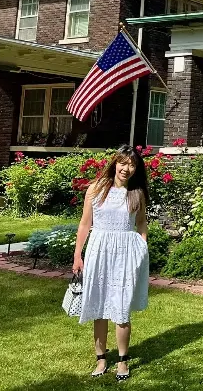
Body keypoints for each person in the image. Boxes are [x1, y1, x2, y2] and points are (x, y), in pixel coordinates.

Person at [73, 145, 150, 381]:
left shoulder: (136, 193)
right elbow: (85, 224)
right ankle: (101, 358)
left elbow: (141, 225)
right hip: (99, 250)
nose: (126, 169)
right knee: (99, 306)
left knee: (122, 307)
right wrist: (78, 255)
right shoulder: (96, 189)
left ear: (136, 169)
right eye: (123, 163)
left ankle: (123, 361)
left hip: (126, 254)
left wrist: (142, 249)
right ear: (115, 163)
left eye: (131, 165)